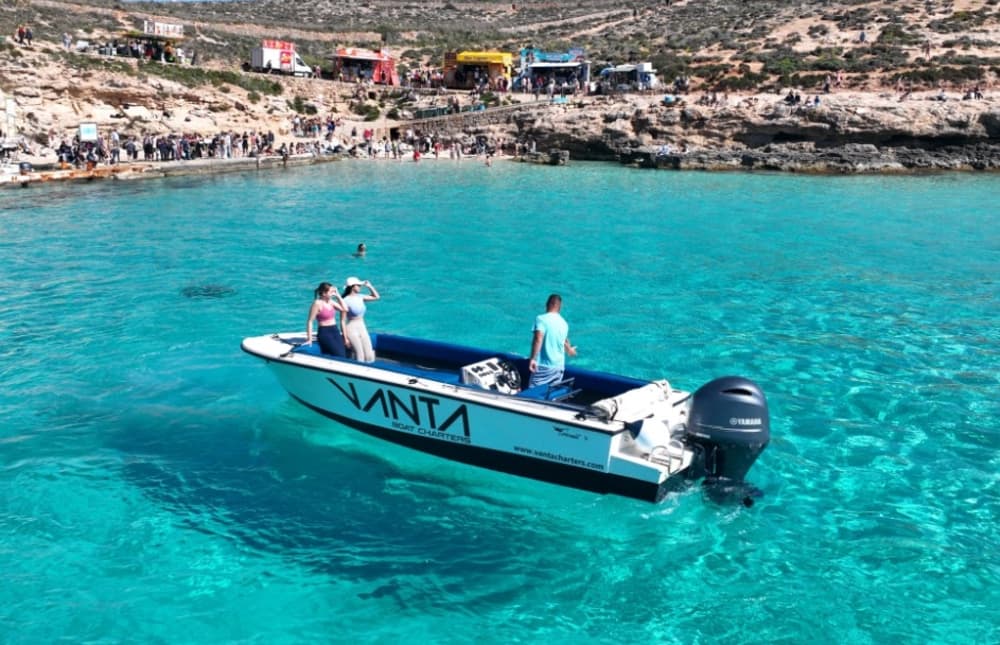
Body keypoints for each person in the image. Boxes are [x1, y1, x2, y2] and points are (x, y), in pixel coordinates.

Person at [528, 294, 577, 387]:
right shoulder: (564, 323)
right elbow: (564, 342)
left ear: (548, 304)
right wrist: (570, 350)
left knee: (532, 393)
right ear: (560, 307)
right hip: (559, 367)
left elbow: (538, 339)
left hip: (544, 366)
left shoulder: (541, 319)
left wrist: (533, 359)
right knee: (550, 393)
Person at [341, 277, 380, 362]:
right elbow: (343, 321)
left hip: (362, 326)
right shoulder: (345, 300)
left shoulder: (360, 297)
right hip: (351, 328)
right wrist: (345, 338)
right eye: (358, 285)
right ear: (352, 286)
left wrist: (370, 286)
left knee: (369, 354)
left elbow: (377, 297)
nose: (360, 287)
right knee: (360, 355)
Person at [305, 282, 347, 357]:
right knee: (338, 354)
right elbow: (310, 321)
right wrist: (309, 339)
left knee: (343, 353)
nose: (333, 293)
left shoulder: (331, 302)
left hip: (335, 330)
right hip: (325, 332)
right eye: (331, 292)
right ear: (324, 293)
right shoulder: (317, 303)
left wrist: (338, 296)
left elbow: (345, 309)